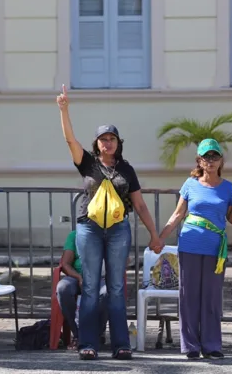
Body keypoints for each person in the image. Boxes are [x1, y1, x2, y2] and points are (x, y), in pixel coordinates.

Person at [56, 86, 163, 361]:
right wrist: (64, 109)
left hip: (118, 230)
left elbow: (139, 205)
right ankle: (87, 343)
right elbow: (69, 140)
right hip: (89, 228)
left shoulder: (126, 169)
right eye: (103, 139)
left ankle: (121, 345)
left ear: (118, 142)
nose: (107, 143)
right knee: (90, 285)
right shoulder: (87, 163)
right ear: (96, 144)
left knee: (116, 286)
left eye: (111, 138)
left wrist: (154, 235)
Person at [158, 139, 232, 360]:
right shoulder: (190, 184)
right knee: (188, 296)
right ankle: (190, 347)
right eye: (207, 157)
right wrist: (159, 238)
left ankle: (212, 345)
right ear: (199, 160)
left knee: (212, 297)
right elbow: (178, 214)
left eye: (215, 156)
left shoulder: (227, 187)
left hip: (215, 248)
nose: (211, 161)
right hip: (190, 244)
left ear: (221, 160)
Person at [57, 229, 109, 349]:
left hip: (101, 277)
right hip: (77, 276)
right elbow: (65, 264)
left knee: (107, 292)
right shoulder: (74, 235)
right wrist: (79, 277)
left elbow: (121, 262)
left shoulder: (110, 234)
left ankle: (96, 334)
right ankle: (78, 334)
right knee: (62, 288)